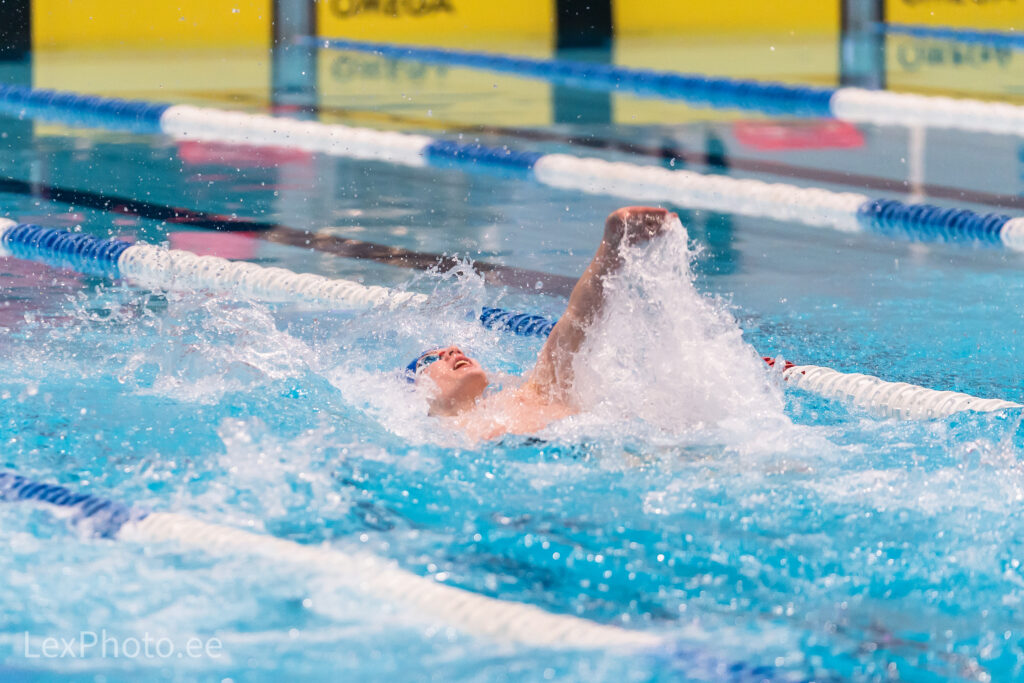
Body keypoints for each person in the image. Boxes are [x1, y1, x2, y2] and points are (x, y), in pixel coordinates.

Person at [407, 206, 677, 441]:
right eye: (433, 359)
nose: (453, 350)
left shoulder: (533, 394)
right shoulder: (438, 441)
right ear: (420, 393)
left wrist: (612, 245)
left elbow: (576, 322)